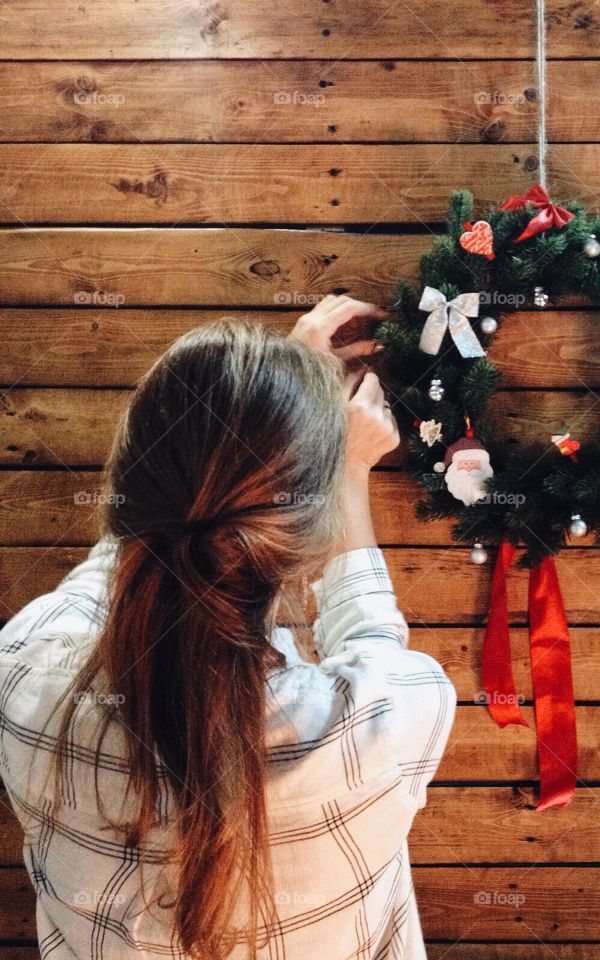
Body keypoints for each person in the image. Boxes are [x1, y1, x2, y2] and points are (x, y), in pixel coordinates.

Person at [0, 296, 456, 959]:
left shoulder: (20, 674)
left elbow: (120, 563)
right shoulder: (387, 724)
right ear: (303, 531)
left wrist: (277, 410)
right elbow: (372, 645)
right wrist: (344, 468)